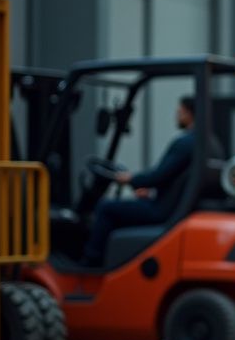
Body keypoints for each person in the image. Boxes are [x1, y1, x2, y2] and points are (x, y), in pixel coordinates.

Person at [83, 95, 199, 265]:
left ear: (189, 114)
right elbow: (172, 179)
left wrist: (131, 179)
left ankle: (91, 261)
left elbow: (158, 175)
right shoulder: (206, 142)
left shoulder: (185, 143)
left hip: (161, 210)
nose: (177, 116)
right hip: (171, 205)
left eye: (179, 112)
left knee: (106, 207)